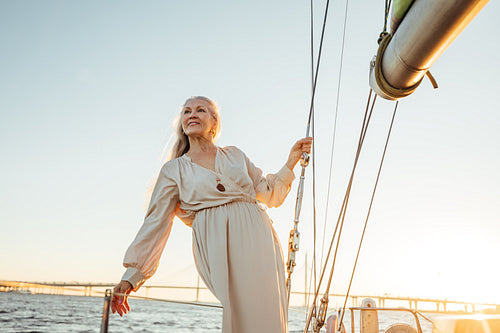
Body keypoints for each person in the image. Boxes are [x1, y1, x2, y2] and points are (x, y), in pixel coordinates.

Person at [111, 96, 312, 333]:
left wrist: (291, 161)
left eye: (200, 110)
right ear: (182, 124)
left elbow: (269, 193)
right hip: (217, 243)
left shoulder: (235, 155)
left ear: (214, 122)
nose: (192, 114)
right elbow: (156, 222)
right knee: (238, 312)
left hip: (259, 237)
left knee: (266, 309)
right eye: (187, 112)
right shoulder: (174, 170)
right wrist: (131, 276)